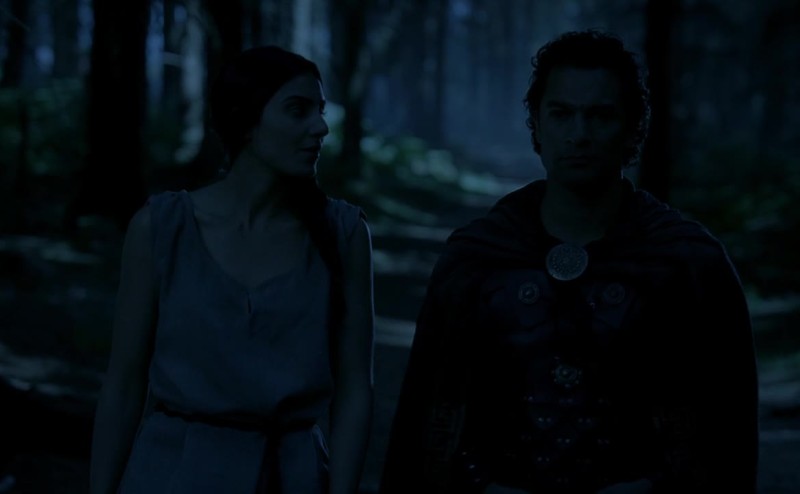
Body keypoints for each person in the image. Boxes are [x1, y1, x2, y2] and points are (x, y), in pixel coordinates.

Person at [380, 29, 759, 494]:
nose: (579, 135)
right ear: (537, 125)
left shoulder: (688, 264)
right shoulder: (477, 259)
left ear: (633, 128)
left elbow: (728, 432)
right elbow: (427, 419)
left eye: (600, 116)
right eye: (561, 114)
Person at [89, 46, 375, 494]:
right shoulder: (162, 228)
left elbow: (356, 390)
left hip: (291, 476)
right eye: (297, 110)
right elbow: (124, 385)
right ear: (246, 120)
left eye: (319, 111)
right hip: (172, 474)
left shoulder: (344, 235)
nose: (320, 127)